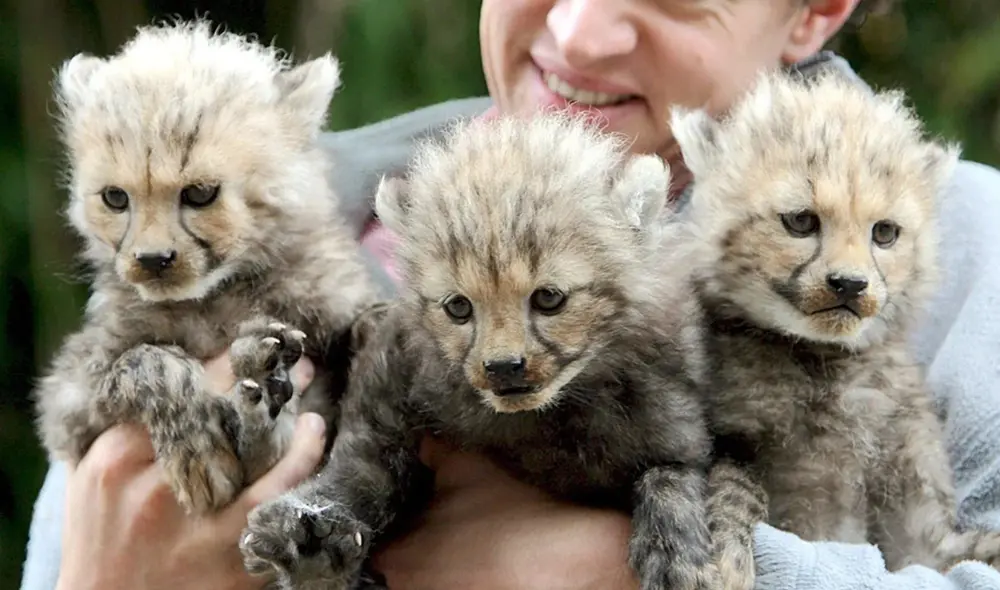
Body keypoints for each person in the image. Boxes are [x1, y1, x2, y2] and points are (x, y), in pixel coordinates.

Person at [20, 1, 1000, 589]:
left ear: (815, 8)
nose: (577, 31)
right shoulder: (255, 202)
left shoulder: (966, 250)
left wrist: (593, 566)